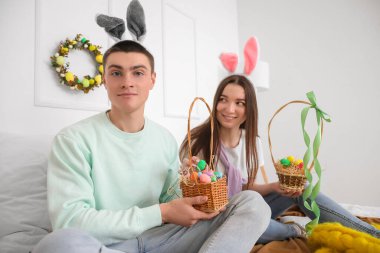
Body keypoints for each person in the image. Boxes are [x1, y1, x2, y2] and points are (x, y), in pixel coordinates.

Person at [32, 41, 271, 253]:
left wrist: (191, 183)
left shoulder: (164, 139)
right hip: (109, 245)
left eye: (137, 73)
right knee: (59, 243)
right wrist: (162, 212)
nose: (127, 82)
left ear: (152, 80)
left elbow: (172, 199)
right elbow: (71, 222)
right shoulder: (73, 140)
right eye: (116, 73)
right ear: (104, 79)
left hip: (164, 239)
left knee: (252, 203)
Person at [179, 74, 380, 244]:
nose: (229, 109)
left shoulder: (251, 142)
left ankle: (370, 233)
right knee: (250, 219)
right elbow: (185, 192)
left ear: (249, 110)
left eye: (239, 103)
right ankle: (292, 230)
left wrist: (274, 187)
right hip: (222, 215)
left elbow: (246, 187)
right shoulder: (198, 142)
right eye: (223, 100)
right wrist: (190, 174)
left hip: (249, 204)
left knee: (303, 186)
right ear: (215, 103)